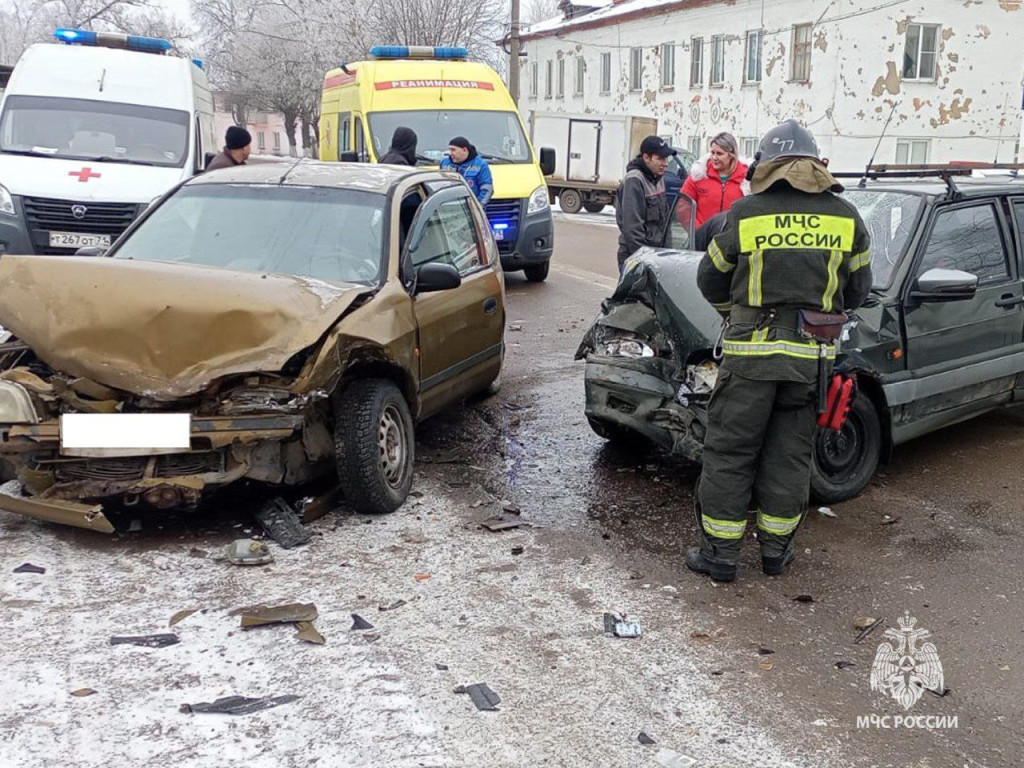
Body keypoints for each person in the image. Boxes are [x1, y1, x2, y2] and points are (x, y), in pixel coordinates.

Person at [687, 119, 872, 583]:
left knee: (731, 454)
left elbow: (709, 279)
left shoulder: (745, 214)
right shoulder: (846, 217)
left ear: (765, 167)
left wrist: (739, 314)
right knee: (789, 458)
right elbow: (857, 292)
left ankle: (720, 557)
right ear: (815, 166)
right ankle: (776, 554)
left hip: (749, 362)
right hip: (809, 363)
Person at [615, 135, 676, 271]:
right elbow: (633, 229)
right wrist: (645, 260)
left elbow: (664, 221)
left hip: (656, 255)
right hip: (636, 255)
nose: (665, 163)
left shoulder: (658, 178)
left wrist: (668, 253)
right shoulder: (634, 180)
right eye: (660, 158)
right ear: (646, 158)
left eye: (666, 159)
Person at [681, 132, 749, 227]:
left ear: (731, 155)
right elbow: (683, 207)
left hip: (733, 238)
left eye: (719, 154)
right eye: (712, 153)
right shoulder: (699, 175)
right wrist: (698, 231)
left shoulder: (747, 180)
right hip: (703, 237)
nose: (714, 157)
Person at [440, 136, 493, 205]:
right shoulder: (445, 163)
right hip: (449, 206)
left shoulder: (480, 165)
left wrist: (478, 206)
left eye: (453, 150)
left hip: (471, 208)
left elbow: (487, 189)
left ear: (464, 150)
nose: (450, 153)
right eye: (450, 150)